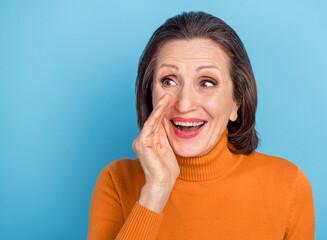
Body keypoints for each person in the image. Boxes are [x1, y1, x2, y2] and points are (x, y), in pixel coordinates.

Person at [87, 11, 315, 240]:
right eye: (169, 81)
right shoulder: (116, 181)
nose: (184, 104)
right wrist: (156, 191)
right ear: (150, 96)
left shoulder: (289, 185)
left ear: (236, 102)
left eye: (207, 82)